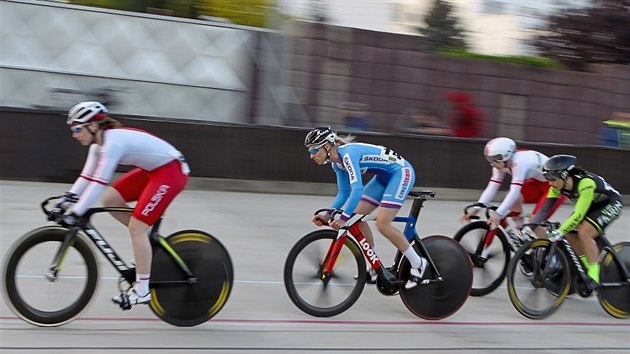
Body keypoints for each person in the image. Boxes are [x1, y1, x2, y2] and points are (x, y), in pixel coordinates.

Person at [54, 101, 190, 307]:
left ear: (93, 126)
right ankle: (145, 242)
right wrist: (67, 200)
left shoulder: (113, 144)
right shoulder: (97, 147)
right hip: (152, 171)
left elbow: (99, 182)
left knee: (136, 227)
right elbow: (86, 177)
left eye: (77, 128)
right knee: (110, 199)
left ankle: (143, 291)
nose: (74, 134)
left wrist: (76, 211)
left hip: (171, 171)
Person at [304, 126, 427, 289]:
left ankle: (418, 263)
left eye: (314, 150)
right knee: (357, 219)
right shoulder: (337, 163)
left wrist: (343, 218)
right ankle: (374, 266)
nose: (311, 155)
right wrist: (328, 215)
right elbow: (343, 192)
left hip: (401, 173)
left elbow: (357, 190)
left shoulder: (347, 155)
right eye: (310, 151)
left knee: (382, 224)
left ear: (327, 146)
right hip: (383, 177)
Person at [531, 154, 623, 284]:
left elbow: (578, 214)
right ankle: (586, 264)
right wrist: (533, 225)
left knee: (584, 233)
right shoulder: (557, 186)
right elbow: (545, 209)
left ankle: (594, 269)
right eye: (548, 179)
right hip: (592, 206)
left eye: (552, 179)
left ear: (564, 175)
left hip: (610, 203)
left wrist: (559, 232)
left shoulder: (585, 183)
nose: (550, 183)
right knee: (569, 232)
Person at [461, 137, 565, 229]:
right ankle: (521, 234)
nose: (492, 163)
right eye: (489, 159)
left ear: (504, 156)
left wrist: (498, 214)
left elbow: (515, 191)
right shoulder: (501, 163)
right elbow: (492, 187)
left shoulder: (519, 162)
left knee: (534, 222)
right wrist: (476, 210)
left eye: (493, 159)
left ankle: (546, 249)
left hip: (554, 187)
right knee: (510, 200)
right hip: (537, 184)